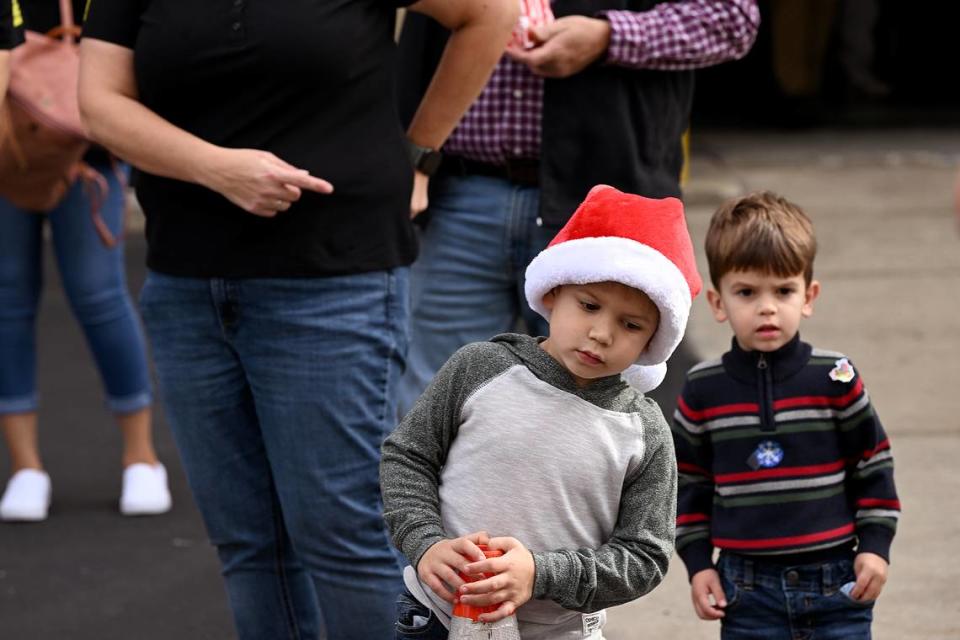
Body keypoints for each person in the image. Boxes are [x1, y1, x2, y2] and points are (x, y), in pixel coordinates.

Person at [77, 0, 517, 638]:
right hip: (187, 284)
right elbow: (99, 102)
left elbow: (490, 14)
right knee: (248, 544)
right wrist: (218, 169)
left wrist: (420, 151)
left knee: (348, 539)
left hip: (333, 281)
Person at [395, 0, 760, 416]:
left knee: (611, 413)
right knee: (433, 402)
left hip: (607, 202)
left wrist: (608, 37)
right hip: (457, 187)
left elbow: (732, 19)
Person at [381, 185, 703, 639]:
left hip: (559, 631)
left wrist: (540, 573)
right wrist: (424, 542)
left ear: (654, 340)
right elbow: (407, 456)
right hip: (435, 615)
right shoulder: (479, 367)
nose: (601, 333)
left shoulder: (643, 431)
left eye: (631, 324)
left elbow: (646, 557)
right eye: (588, 305)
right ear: (553, 293)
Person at [672, 191, 900, 639]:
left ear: (808, 295)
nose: (767, 307)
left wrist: (875, 547)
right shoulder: (703, 389)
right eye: (746, 292)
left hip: (836, 582)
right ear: (718, 303)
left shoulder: (834, 377)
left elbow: (873, 465)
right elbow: (687, 485)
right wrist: (698, 564)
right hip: (746, 589)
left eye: (783, 290)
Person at [0, 0, 170, 523]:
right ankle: (25, 467)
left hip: (88, 152)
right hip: (9, 150)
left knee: (100, 296)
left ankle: (141, 455)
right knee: (7, 303)